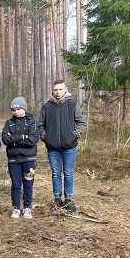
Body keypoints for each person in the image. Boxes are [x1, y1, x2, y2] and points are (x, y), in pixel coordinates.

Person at [38, 80, 87, 212]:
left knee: (68, 173)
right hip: (52, 147)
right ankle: (57, 199)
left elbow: (81, 122)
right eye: (55, 90)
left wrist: (74, 135)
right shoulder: (46, 107)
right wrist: (45, 137)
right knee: (55, 173)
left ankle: (69, 200)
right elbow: (41, 125)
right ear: (52, 90)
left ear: (65, 89)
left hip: (70, 146)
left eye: (60, 89)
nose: (58, 92)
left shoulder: (73, 104)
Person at [2, 97, 39, 219]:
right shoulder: (9, 123)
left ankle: (27, 207)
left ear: (23, 108)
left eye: (18, 109)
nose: (16, 111)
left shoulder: (32, 122)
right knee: (16, 184)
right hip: (14, 160)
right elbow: (6, 139)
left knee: (28, 184)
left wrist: (15, 139)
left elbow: (33, 140)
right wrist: (23, 137)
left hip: (29, 159)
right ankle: (16, 208)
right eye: (13, 109)